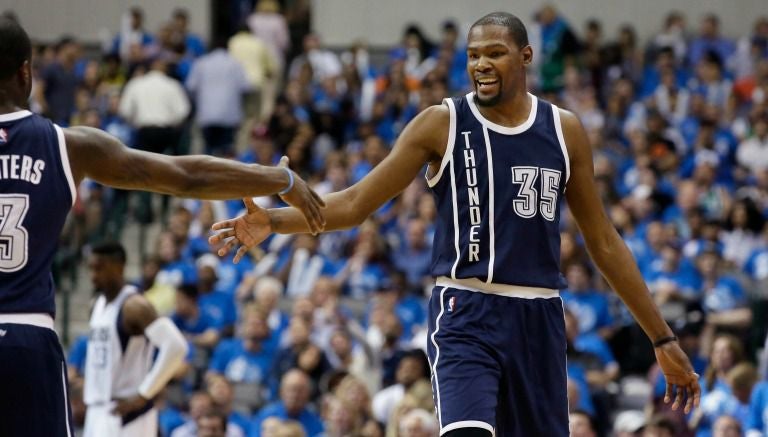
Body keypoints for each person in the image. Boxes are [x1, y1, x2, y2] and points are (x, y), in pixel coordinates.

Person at [210, 12, 700, 436]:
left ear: (526, 56)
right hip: (465, 312)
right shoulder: (440, 122)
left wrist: (663, 338)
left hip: (539, 317)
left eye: (495, 53)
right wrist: (273, 221)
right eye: (472, 55)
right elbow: (355, 203)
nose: (481, 64)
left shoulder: (564, 129)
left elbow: (604, 242)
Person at [0, 17, 324, 437]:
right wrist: (280, 180)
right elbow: (185, 175)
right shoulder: (67, 144)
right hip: (28, 337)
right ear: (27, 71)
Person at [82, 242, 186, 436]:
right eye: (91, 268)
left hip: (126, 412)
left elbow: (176, 346)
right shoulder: (96, 304)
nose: (93, 275)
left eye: (100, 268)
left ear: (119, 266)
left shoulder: (134, 306)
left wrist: (144, 394)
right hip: (97, 409)